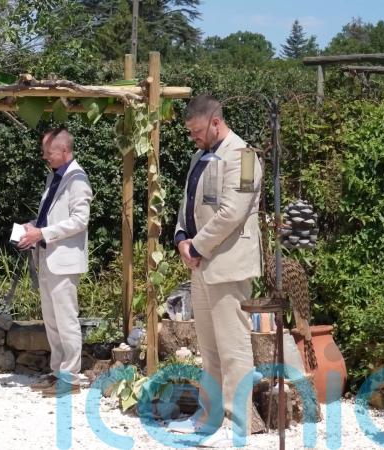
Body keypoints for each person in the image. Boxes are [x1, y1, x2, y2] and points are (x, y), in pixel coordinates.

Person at [169, 95, 263, 447]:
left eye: (196, 131)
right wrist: (181, 237)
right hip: (201, 264)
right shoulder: (199, 156)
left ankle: (239, 423)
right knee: (208, 347)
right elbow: (188, 203)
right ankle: (208, 417)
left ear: (215, 123)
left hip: (229, 264)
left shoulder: (247, 157)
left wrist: (196, 246)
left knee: (234, 346)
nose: (192, 137)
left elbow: (232, 212)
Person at [18, 128, 92, 397]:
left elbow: (80, 220)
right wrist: (34, 227)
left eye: (48, 153)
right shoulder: (55, 176)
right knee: (51, 320)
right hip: (48, 258)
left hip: (64, 261)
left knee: (66, 319)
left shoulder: (77, 179)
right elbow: (52, 216)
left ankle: (70, 377)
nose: (44, 157)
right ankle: (57, 370)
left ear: (63, 151)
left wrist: (44, 233)